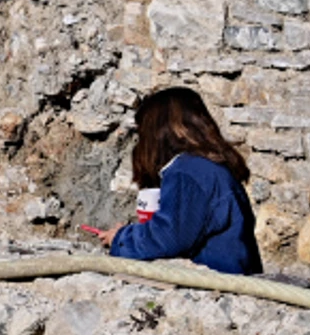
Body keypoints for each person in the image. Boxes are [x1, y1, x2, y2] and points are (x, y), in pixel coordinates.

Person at [88, 87, 260, 275]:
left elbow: (168, 236)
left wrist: (121, 239)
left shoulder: (187, 172)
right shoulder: (209, 166)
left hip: (219, 281)